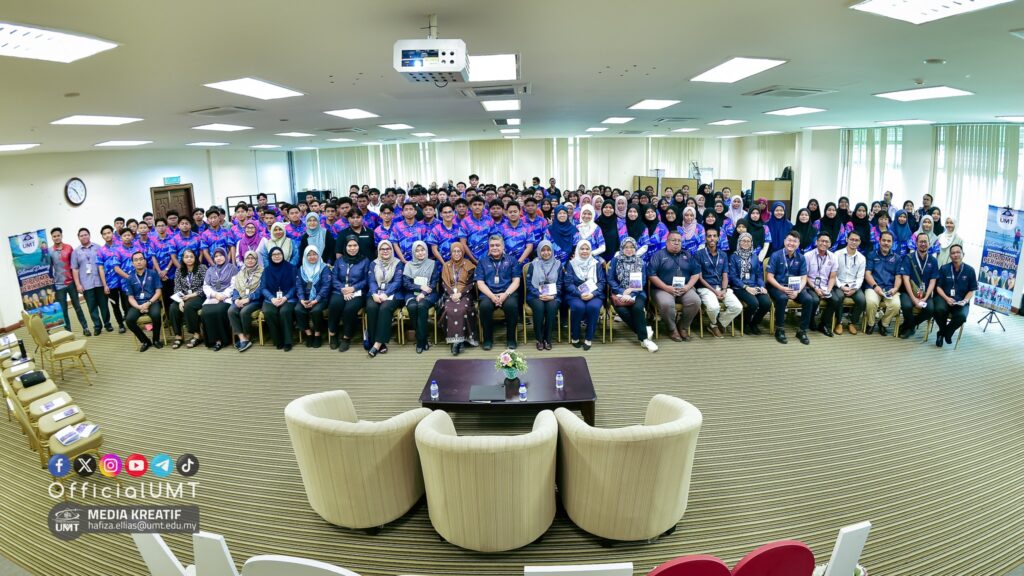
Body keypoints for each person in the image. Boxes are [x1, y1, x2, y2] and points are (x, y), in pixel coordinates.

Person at [648, 231, 701, 342]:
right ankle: (672, 329)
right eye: (673, 240)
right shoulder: (658, 255)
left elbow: (696, 273)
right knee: (667, 303)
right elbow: (651, 275)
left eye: (679, 241)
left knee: (695, 301)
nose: (676, 243)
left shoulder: (688, 255)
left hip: (684, 288)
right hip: (662, 289)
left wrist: (687, 287)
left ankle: (682, 326)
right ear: (667, 242)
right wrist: (666, 288)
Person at [766, 230, 814, 345]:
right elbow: (769, 277)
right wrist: (782, 288)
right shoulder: (776, 255)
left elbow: (804, 278)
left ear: (798, 244)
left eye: (794, 241)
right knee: (782, 298)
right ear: (784, 241)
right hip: (777, 286)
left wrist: (797, 291)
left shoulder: (801, 258)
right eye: (789, 240)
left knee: (808, 299)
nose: (791, 243)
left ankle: (802, 331)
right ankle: (780, 329)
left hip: (795, 288)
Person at [609, 237, 657, 352]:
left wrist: (631, 293)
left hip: (637, 292)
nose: (629, 249)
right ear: (622, 248)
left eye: (632, 247)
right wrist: (622, 292)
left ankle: (644, 339)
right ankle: (644, 332)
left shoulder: (640, 262)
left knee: (637, 308)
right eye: (626, 247)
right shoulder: (616, 260)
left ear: (635, 248)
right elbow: (610, 279)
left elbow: (643, 281)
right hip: (619, 293)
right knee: (622, 311)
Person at [474, 234, 522, 350]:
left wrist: (505, 295)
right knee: (485, 307)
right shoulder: (482, 262)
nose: (495, 248)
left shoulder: (512, 260)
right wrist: (492, 296)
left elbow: (516, 282)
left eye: (497, 245)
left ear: (503, 246)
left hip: (507, 293)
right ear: (489, 247)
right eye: (492, 245)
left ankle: (511, 339)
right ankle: (487, 339)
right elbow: (480, 283)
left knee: (511, 306)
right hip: (488, 293)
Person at [696, 227, 743, 338]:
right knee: (714, 308)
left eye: (714, 236)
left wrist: (724, 290)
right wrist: (715, 291)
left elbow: (725, 275)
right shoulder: (699, 254)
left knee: (737, 307)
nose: (712, 238)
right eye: (709, 236)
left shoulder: (723, 255)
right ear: (705, 238)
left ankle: (719, 323)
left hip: (721, 287)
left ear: (718, 238)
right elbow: (700, 278)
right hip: (706, 288)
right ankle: (713, 325)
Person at [327, 238, 369, 352]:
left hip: (357, 292)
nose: (352, 248)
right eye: (349, 246)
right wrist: (343, 289)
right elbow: (334, 277)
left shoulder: (365, 261)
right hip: (339, 290)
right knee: (334, 305)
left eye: (355, 245)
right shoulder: (339, 261)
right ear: (345, 247)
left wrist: (353, 288)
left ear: (359, 246)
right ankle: (333, 334)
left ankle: (346, 337)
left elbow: (366, 279)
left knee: (349, 309)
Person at [562, 239, 606, 350]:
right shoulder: (571, 264)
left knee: (593, 307)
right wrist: (579, 293)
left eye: (587, 249)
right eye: (582, 249)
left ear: (590, 250)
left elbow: (602, 282)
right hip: (575, 295)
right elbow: (568, 283)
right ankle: (575, 336)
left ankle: (589, 338)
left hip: (594, 294)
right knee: (578, 307)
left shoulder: (596, 264)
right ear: (577, 250)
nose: (585, 251)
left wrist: (593, 294)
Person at [897, 233, 939, 339]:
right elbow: (905, 279)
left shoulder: (933, 261)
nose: (923, 244)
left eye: (925, 242)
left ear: (929, 243)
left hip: (925, 293)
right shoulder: (908, 258)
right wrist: (913, 299)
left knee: (930, 309)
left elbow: (933, 281)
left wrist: (925, 297)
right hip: (908, 292)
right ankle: (910, 328)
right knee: (906, 306)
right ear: (916, 243)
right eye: (920, 241)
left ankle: (908, 325)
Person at [933, 244, 977, 348]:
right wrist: (946, 298)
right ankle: (943, 333)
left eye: (958, 252)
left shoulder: (970, 270)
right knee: (939, 309)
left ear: (963, 254)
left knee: (962, 316)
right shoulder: (944, 268)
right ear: (950, 255)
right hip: (944, 298)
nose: (955, 255)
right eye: (953, 253)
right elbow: (938, 287)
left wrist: (965, 301)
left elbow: (971, 290)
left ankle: (945, 332)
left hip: (961, 300)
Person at [366, 240, 404, 358]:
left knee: (384, 308)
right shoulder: (373, 263)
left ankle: (377, 344)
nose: (385, 251)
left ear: (392, 250)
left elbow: (397, 282)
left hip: (394, 294)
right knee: (371, 307)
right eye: (382, 249)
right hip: (376, 293)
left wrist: (386, 294)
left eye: (388, 248)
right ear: (378, 251)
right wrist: (374, 293)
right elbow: (371, 281)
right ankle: (378, 342)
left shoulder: (398, 263)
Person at [729, 232, 771, 335]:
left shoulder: (754, 257)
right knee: (753, 303)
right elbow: (733, 277)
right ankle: (744, 323)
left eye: (748, 241)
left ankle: (754, 323)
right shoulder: (734, 257)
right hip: (740, 287)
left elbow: (759, 275)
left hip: (754, 285)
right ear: (739, 242)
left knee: (766, 303)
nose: (746, 243)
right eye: (743, 241)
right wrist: (746, 287)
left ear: (751, 243)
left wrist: (762, 286)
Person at [439, 242, 477, 355]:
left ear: (463, 252)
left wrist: (460, 294)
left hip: (465, 294)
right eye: (454, 251)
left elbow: (471, 284)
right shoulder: (446, 266)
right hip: (450, 294)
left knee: (463, 308)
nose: (456, 254)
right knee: (448, 309)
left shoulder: (469, 265)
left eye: (459, 251)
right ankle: (456, 342)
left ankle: (460, 341)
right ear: (451, 253)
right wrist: (452, 294)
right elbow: (444, 284)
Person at [49, 227, 89, 334]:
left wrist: (78, 282)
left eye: (58, 235)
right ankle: (68, 332)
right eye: (54, 236)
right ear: (52, 238)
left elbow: (74, 266)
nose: (56, 238)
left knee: (77, 307)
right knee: (64, 310)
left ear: (61, 235)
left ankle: (85, 328)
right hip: (58, 285)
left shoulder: (69, 248)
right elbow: (48, 269)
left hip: (71, 282)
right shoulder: (50, 251)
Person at [864, 231, 903, 336]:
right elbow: (867, 274)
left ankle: (883, 324)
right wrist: (875, 286)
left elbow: (898, 276)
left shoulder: (897, 258)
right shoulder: (872, 255)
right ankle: (871, 323)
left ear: (892, 243)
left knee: (896, 305)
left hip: (890, 288)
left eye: (889, 241)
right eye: (884, 240)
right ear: (879, 241)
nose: (886, 243)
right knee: (871, 302)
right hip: (873, 287)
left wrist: (895, 288)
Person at [123, 251, 164, 352]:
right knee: (129, 320)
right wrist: (139, 307)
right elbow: (130, 297)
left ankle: (156, 339)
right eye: (136, 260)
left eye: (141, 259)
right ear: (133, 263)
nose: (139, 262)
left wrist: (148, 303)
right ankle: (145, 341)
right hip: (137, 304)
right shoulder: (130, 277)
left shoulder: (153, 273)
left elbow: (158, 292)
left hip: (152, 301)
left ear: (145, 261)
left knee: (156, 315)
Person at [525, 240, 562, 351]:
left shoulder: (558, 264)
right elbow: (528, 284)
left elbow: (560, 284)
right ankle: (539, 339)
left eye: (548, 250)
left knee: (551, 307)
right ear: (539, 252)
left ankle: (548, 339)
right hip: (535, 295)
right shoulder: (533, 264)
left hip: (553, 295)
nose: (546, 253)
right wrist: (538, 294)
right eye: (543, 250)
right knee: (539, 308)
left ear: (552, 251)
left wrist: (553, 296)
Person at [70, 228, 107, 335]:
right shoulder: (76, 252)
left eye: (85, 234)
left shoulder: (98, 247)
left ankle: (107, 323)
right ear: (78, 238)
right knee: (92, 307)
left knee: (104, 305)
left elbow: (104, 264)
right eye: (81, 235)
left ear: (89, 235)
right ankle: (97, 326)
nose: (84, 237)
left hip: (99, 282)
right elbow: (75, 269)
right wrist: (78, 285)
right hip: (86, 284)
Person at [260, 246, 297, 352]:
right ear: (270, 256)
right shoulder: (267, 270)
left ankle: (288, 341)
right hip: (271, 299)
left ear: (283, 255)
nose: (276, 256)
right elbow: (263, 288)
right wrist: (272, 298)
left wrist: (285, 297)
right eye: (274, 254)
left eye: (279, 254)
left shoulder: (291, 268)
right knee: (269, 312)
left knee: (284, 311)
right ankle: (278, 340)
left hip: (288, 298)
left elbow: (295, 286)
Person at [200, 248, 237, 351]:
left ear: (225, 256)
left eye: (221, 255)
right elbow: (206, 286)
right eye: (216, 256)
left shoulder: (232, 268)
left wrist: (224, 295)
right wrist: (214, 294)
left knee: (219, 311)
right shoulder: (210, 270)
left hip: (226, 297)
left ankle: (222, 339)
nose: (218, 258)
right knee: (205, 312)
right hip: (213, 297)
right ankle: (212, 340)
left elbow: (234, 285)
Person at [168, 249, 206, 349]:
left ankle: (197, 335)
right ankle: (178, 336)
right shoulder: (179, 270)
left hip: (198, 296)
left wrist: (191, 295)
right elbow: (177, 287)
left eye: (191, 257)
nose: (189, 259)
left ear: (195, 258)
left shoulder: (202, 268)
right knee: (173, 308)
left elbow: (206, 286)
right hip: (183, 297)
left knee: (189, 306)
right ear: (183, 259)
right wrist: (180, 300)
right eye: (186, 257)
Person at [831, 231, 866, 335]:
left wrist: (854, 289)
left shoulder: (862, 258)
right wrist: (841, 286)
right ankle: (839, 322)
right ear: (847, 239)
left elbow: (860, 277)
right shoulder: (837, 254)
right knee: (839, 297)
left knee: (862, 300)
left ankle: (852, 322)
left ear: (859, 242)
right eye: (852, 239)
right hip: (839, 284)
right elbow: (833, 274)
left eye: (856, 240)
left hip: (853, 286)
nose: (854, 242)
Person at [228, 251, 263, 352]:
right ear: (244, 260)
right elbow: (235, 288)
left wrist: (248, 298)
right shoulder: (240, 273)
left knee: (244, 311)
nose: (250, 260)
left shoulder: (262, 272)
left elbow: (261, 290)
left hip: (255, 300)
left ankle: (248, 336)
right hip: (240, 299)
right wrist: (236, 299)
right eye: (248, 258)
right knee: (231, 311)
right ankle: (242, 338)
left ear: (256, 260)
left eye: (253, 258)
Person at [804, 234, 838, 337]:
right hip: (810, 285)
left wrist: (828, 291)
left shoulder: (833, 257)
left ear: (830, 244)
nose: (824, 243)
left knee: (835, 300)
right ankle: (810, 320)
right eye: (821, 241)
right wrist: (815, 288)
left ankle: (823, 325)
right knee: (814, 300)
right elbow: (804, 276)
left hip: (825, 286)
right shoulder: (808, 256)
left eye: (826, 241)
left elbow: (832, 277)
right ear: (816, 242)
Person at [97, 225, 127, 333]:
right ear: (102, 236)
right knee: (115, 305)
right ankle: (121, 324)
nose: (107, 235)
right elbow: (100, 268)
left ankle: (129, 321)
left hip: (123, 281)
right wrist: (105, 285)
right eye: (104, 234)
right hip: (110, 283)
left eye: (109, 233)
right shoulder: (101, 251)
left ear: (112, 233)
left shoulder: (121, 246)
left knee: (126, 303)